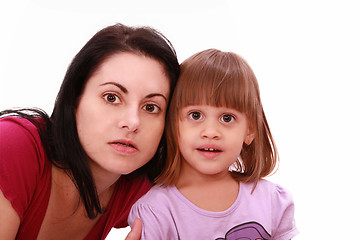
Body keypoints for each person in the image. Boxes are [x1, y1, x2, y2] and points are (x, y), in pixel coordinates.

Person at [0, 23, 180, 239]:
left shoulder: (139, 190)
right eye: (111, 97)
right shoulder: (13, 147)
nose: (132, 122)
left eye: (151, 108)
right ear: (76, 99)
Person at [128, 49, 299, 239]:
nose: (210, 132)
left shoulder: (271, 201)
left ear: (249, 130)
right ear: (172, 124)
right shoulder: (157, 212)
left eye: (227, 118)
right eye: (195, 115)